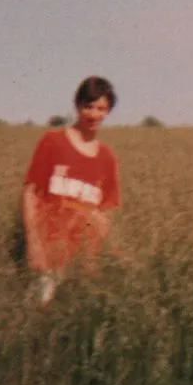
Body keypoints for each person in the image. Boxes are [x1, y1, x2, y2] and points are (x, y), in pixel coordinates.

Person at [21, 76, 121, 304]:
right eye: (89, 106)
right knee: (39, 316)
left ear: (108, 112)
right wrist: (33, 244)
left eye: (101, 108)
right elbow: (30, 194)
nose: (94, 114)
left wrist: (104, 257)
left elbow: (102, 214)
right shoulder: (53, 142)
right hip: (47, 256)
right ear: (77, 106)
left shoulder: (107, 158)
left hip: (83, 262)